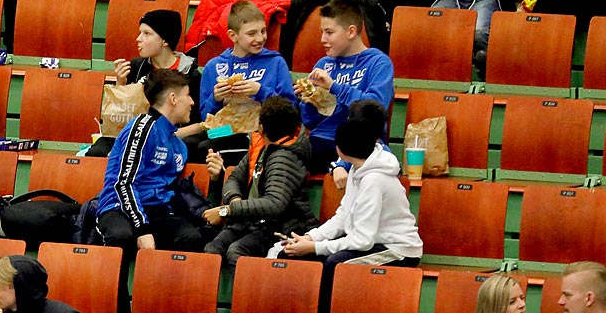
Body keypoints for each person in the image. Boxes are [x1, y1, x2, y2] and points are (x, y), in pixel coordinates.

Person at [277, 115, 421, 284]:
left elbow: (362, 241)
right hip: (372, 243)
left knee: (336, 264)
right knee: (289, 254)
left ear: (342, 149)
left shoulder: (373, 180)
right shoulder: (357, 169)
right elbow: (343, 216)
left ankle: (325, 311)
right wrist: (311, 238)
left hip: (398, 249)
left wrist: (316, 247)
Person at [96, 68, 208, 258]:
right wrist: (142, 228)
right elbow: (123, 183)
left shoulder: (179, 146)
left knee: (191, 237)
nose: (192, 102)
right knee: (121, 235)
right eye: (188, 95)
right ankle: (117, 288)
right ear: (173, 98)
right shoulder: (141, 128)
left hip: (157, 209)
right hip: (119, 206)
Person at [203, 95, 314, 265]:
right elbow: (234, 178)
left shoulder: (284, 158)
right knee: (213, 248)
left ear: (261, 127)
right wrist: (235, 201)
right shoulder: (260, 148)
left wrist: (228, 210)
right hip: (252, 220)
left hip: (282, 227)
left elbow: (274, 204)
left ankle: (248, 291)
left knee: (236, 252)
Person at [297, 0, 395, 172]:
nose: (322, 39)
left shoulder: (379, 63)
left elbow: (375, 109)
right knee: (280, 158)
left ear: (351, 32)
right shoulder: (323, 64)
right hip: (321, 144)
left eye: (329, 32)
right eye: (322, 32)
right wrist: (309, 101)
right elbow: (311, 122)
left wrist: (334, 87)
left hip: (360, 146)